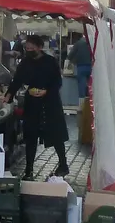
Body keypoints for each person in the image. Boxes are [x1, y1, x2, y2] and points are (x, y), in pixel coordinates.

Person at [5, 34, 70, 179]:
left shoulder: (50, 61)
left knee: (56, 135)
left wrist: (46, 91)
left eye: (31, 48)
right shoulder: (25, 62)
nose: (28, 50)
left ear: (40, 47)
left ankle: (63, 165)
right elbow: (17, 80)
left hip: (50, 102)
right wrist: (8, 94)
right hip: (32, 103)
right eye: (26, 48)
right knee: (31, 137)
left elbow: (58, 82)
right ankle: (29, 170)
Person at [68, 35, 93, 100]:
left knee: (82, 85)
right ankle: (91, 102)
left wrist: (71, 60)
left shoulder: (78, 43)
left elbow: (70, 55)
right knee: (91, 85)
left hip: (81, 66)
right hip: (92, 67)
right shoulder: (92, 43)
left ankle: (82, 103)